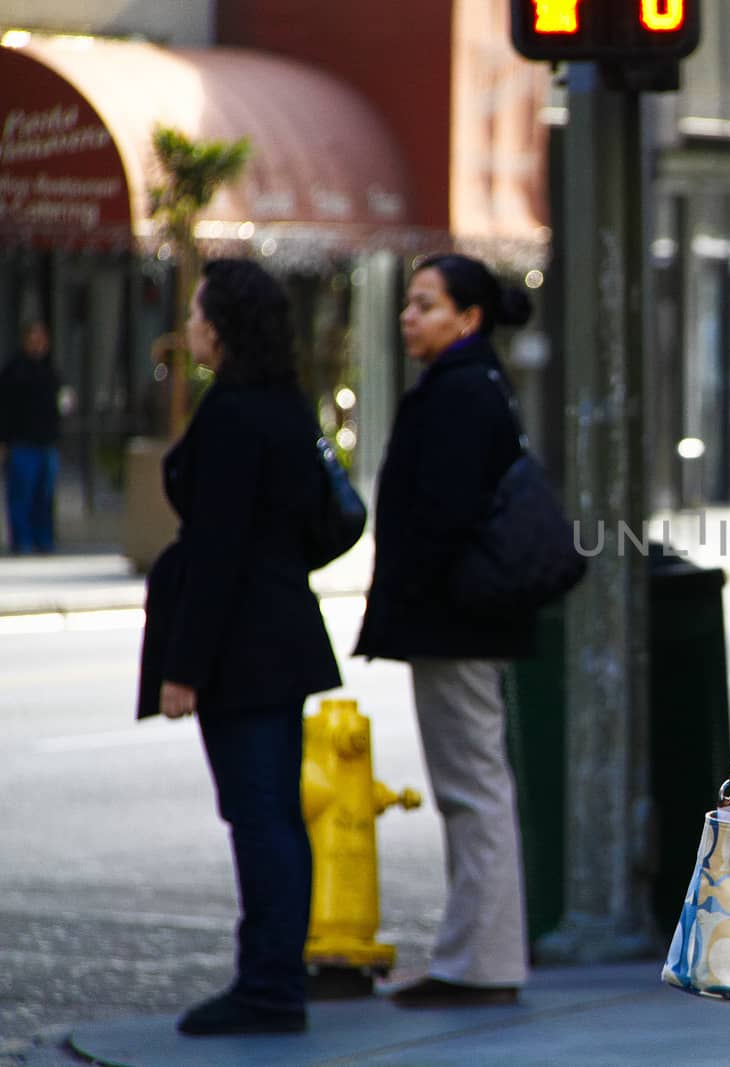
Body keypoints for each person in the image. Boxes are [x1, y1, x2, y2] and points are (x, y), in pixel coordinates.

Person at [136, 259, 343, 1036]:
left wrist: (184, 669)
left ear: (218, 330)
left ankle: (268, 986)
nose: (188, 325)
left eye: (195, 314)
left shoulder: (232, 415)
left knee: (258, 818)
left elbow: (219, 550)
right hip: (280, 630)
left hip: (243, 647)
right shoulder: (287, 404)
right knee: (275, 817)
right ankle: (274, 978)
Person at [355, 253, 535, 1008]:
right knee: (472, 787)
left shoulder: (460, 393)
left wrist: (417, 591)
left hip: (457, 623)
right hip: (461, 619)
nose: (408, 315)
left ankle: (481, 962)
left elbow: (444, 514)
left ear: (468, 318)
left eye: (425, 304)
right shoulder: (467, 384)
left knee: (473, 789)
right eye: (409, 303)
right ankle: (475, 954)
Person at [0, 320, 62, 553]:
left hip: (46, 443)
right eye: (33, 339)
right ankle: (22, 541)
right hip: (22, 443)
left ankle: (44, 540)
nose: (38, 344)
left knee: (44, 497)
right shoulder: (14, 371)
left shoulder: (50, 370)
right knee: (21, 496)